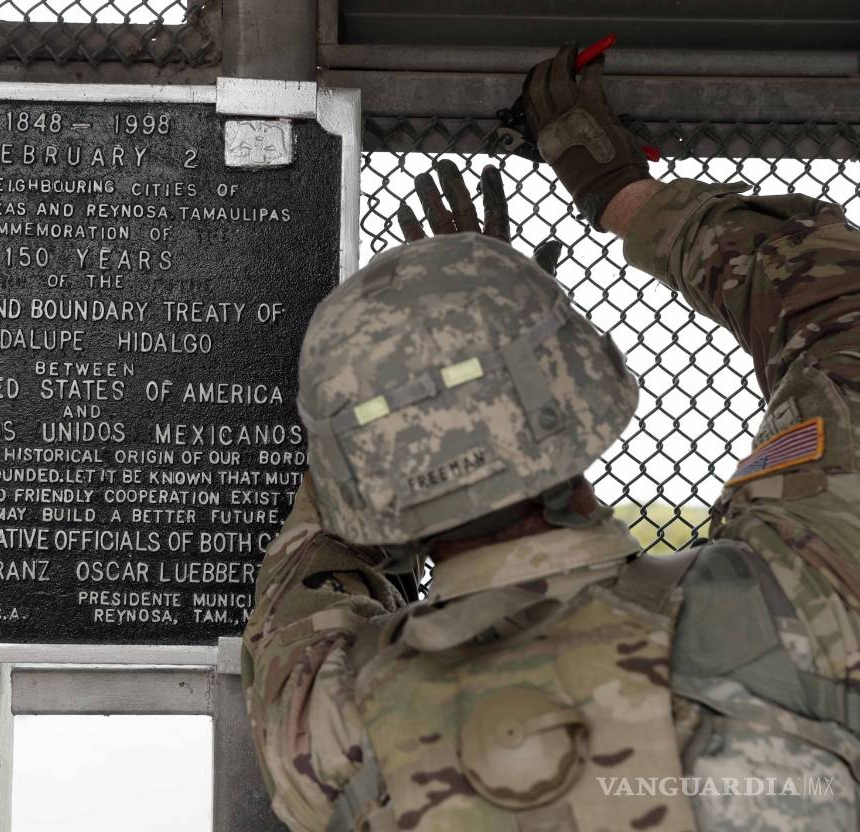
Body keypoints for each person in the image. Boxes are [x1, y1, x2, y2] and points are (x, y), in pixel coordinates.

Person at [242, 43, 860, 831]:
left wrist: (406, 364)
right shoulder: (806, 604)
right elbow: (835, 302)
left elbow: (312, 565)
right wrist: (621, 196)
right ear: (575, 392)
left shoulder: (326, 726)